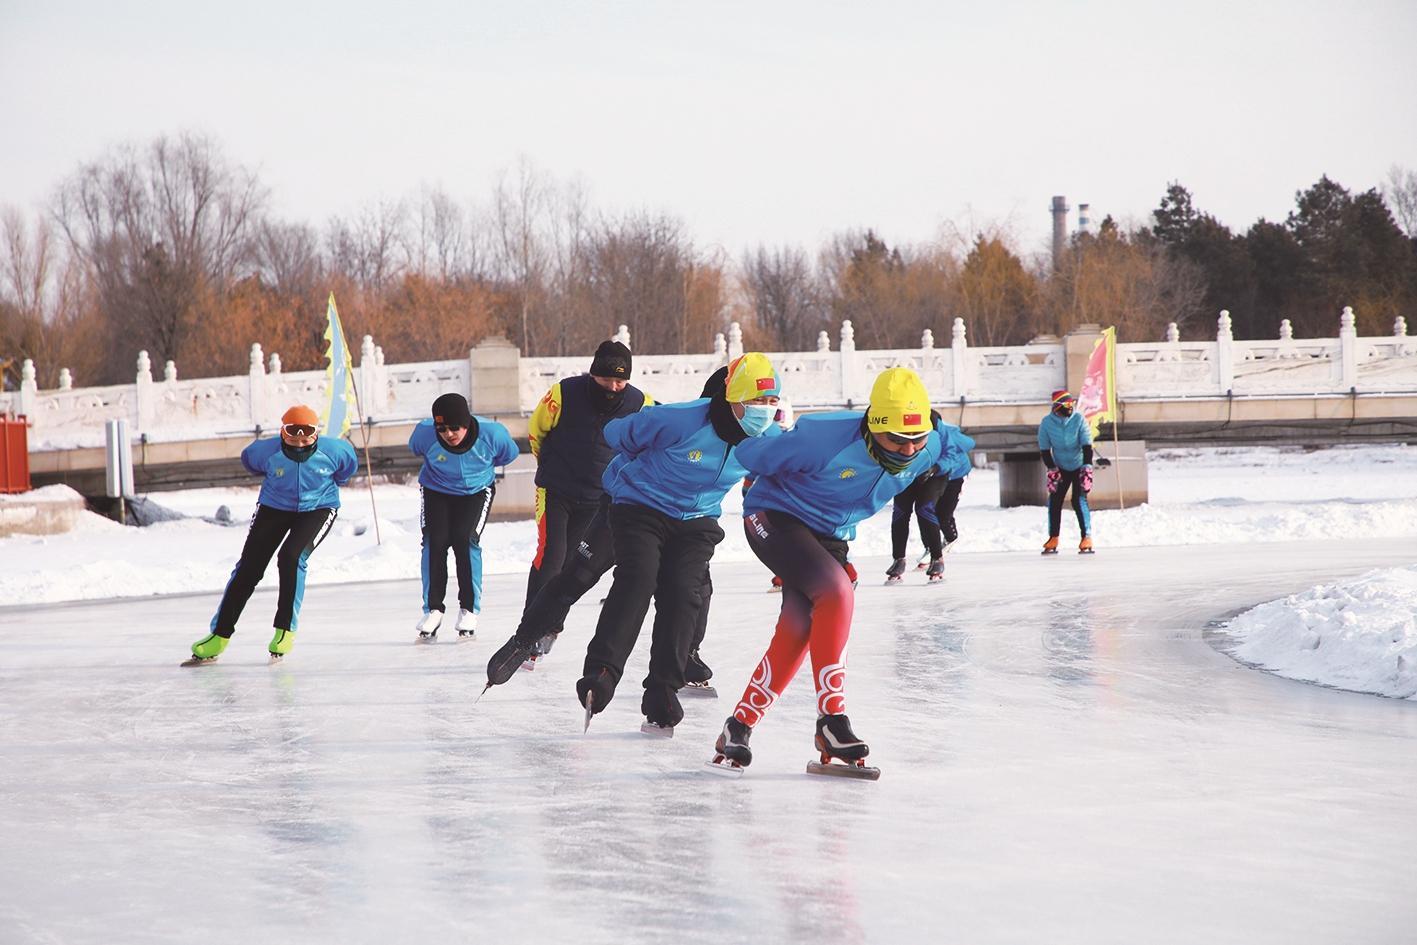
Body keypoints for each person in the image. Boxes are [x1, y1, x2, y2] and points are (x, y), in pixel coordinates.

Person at [709, 367, 943, 776]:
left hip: (830, 535)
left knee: (799, 628)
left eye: (915, 440)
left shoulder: (930, 446)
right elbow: (750, 454)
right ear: (872, 425)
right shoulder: (822, 438)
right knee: (837, 592)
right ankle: (832, 721)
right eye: (895, 440)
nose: (907, 451)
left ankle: (737, 727)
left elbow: (946, 446)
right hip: (774, 517)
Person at [575, 352, 783, 732]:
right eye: (755, 401)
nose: (764, 411)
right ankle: (602, 673)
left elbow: (794, 471)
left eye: (771, 402)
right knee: (638, 578)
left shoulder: (768, 437)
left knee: (685, 593)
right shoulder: (680, 418)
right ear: (732, 398)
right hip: (642, 506)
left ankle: (662, 690)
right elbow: (617, 434)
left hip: (697, 521)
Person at [185, 405, 358, 665]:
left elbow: (346, 472)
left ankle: (285, 630)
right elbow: (250, 463)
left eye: (305, 440)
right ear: (281, 433)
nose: (299, 446)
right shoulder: (262, 452)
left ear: (316, 436)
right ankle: (219, 636)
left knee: (291, 557)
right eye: (292, 440)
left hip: (318, 508)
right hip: (274, 508)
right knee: (249, 569)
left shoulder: (336, 451)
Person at [524, 341, 652, 621]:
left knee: (571, 562)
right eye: (607, 379)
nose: (613, 387)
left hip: (597, 497)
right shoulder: (563, 392)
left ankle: (551, 624)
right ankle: (530, 625)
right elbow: (536, 431)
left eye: (620, 380)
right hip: (556, 491)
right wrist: (547, 463)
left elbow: (651, 440)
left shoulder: (641, 403)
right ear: (594, 373)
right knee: (550, 556)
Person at [409, 392, 519, 641]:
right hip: (437, 490)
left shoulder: (493, 435)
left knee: (465, 539)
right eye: (442, 428)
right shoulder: (424, 435)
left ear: (467, 422)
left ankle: (469, 609)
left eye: (454, 427)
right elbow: (416, 449)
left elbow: (508, 455)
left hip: (476, 491)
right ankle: (433, 609)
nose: (449, 434)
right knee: (434, 541)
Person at [887, 412, 975, 583]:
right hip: (909, 471)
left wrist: (935, 468)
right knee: (900, 511)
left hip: (936, 474)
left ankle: (937, 558)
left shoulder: (937, 425)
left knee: (924, 509)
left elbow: (951, 454)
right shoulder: (898, 420)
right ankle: (898, 559)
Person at [1038, 388, 1094, 554]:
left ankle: (1086, 537)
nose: (1069, 407)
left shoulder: (1078, 419)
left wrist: (1087, 466)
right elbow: (1044, 449)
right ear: (1056, 407)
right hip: (1060, 467)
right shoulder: (1047, 423)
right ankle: (1053, 537)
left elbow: (1087, 445)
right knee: (1055, 502)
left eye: (1071, 404)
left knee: (1079, 500)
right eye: (1066, 404)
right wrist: (1052, 468)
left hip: (1079, 465)